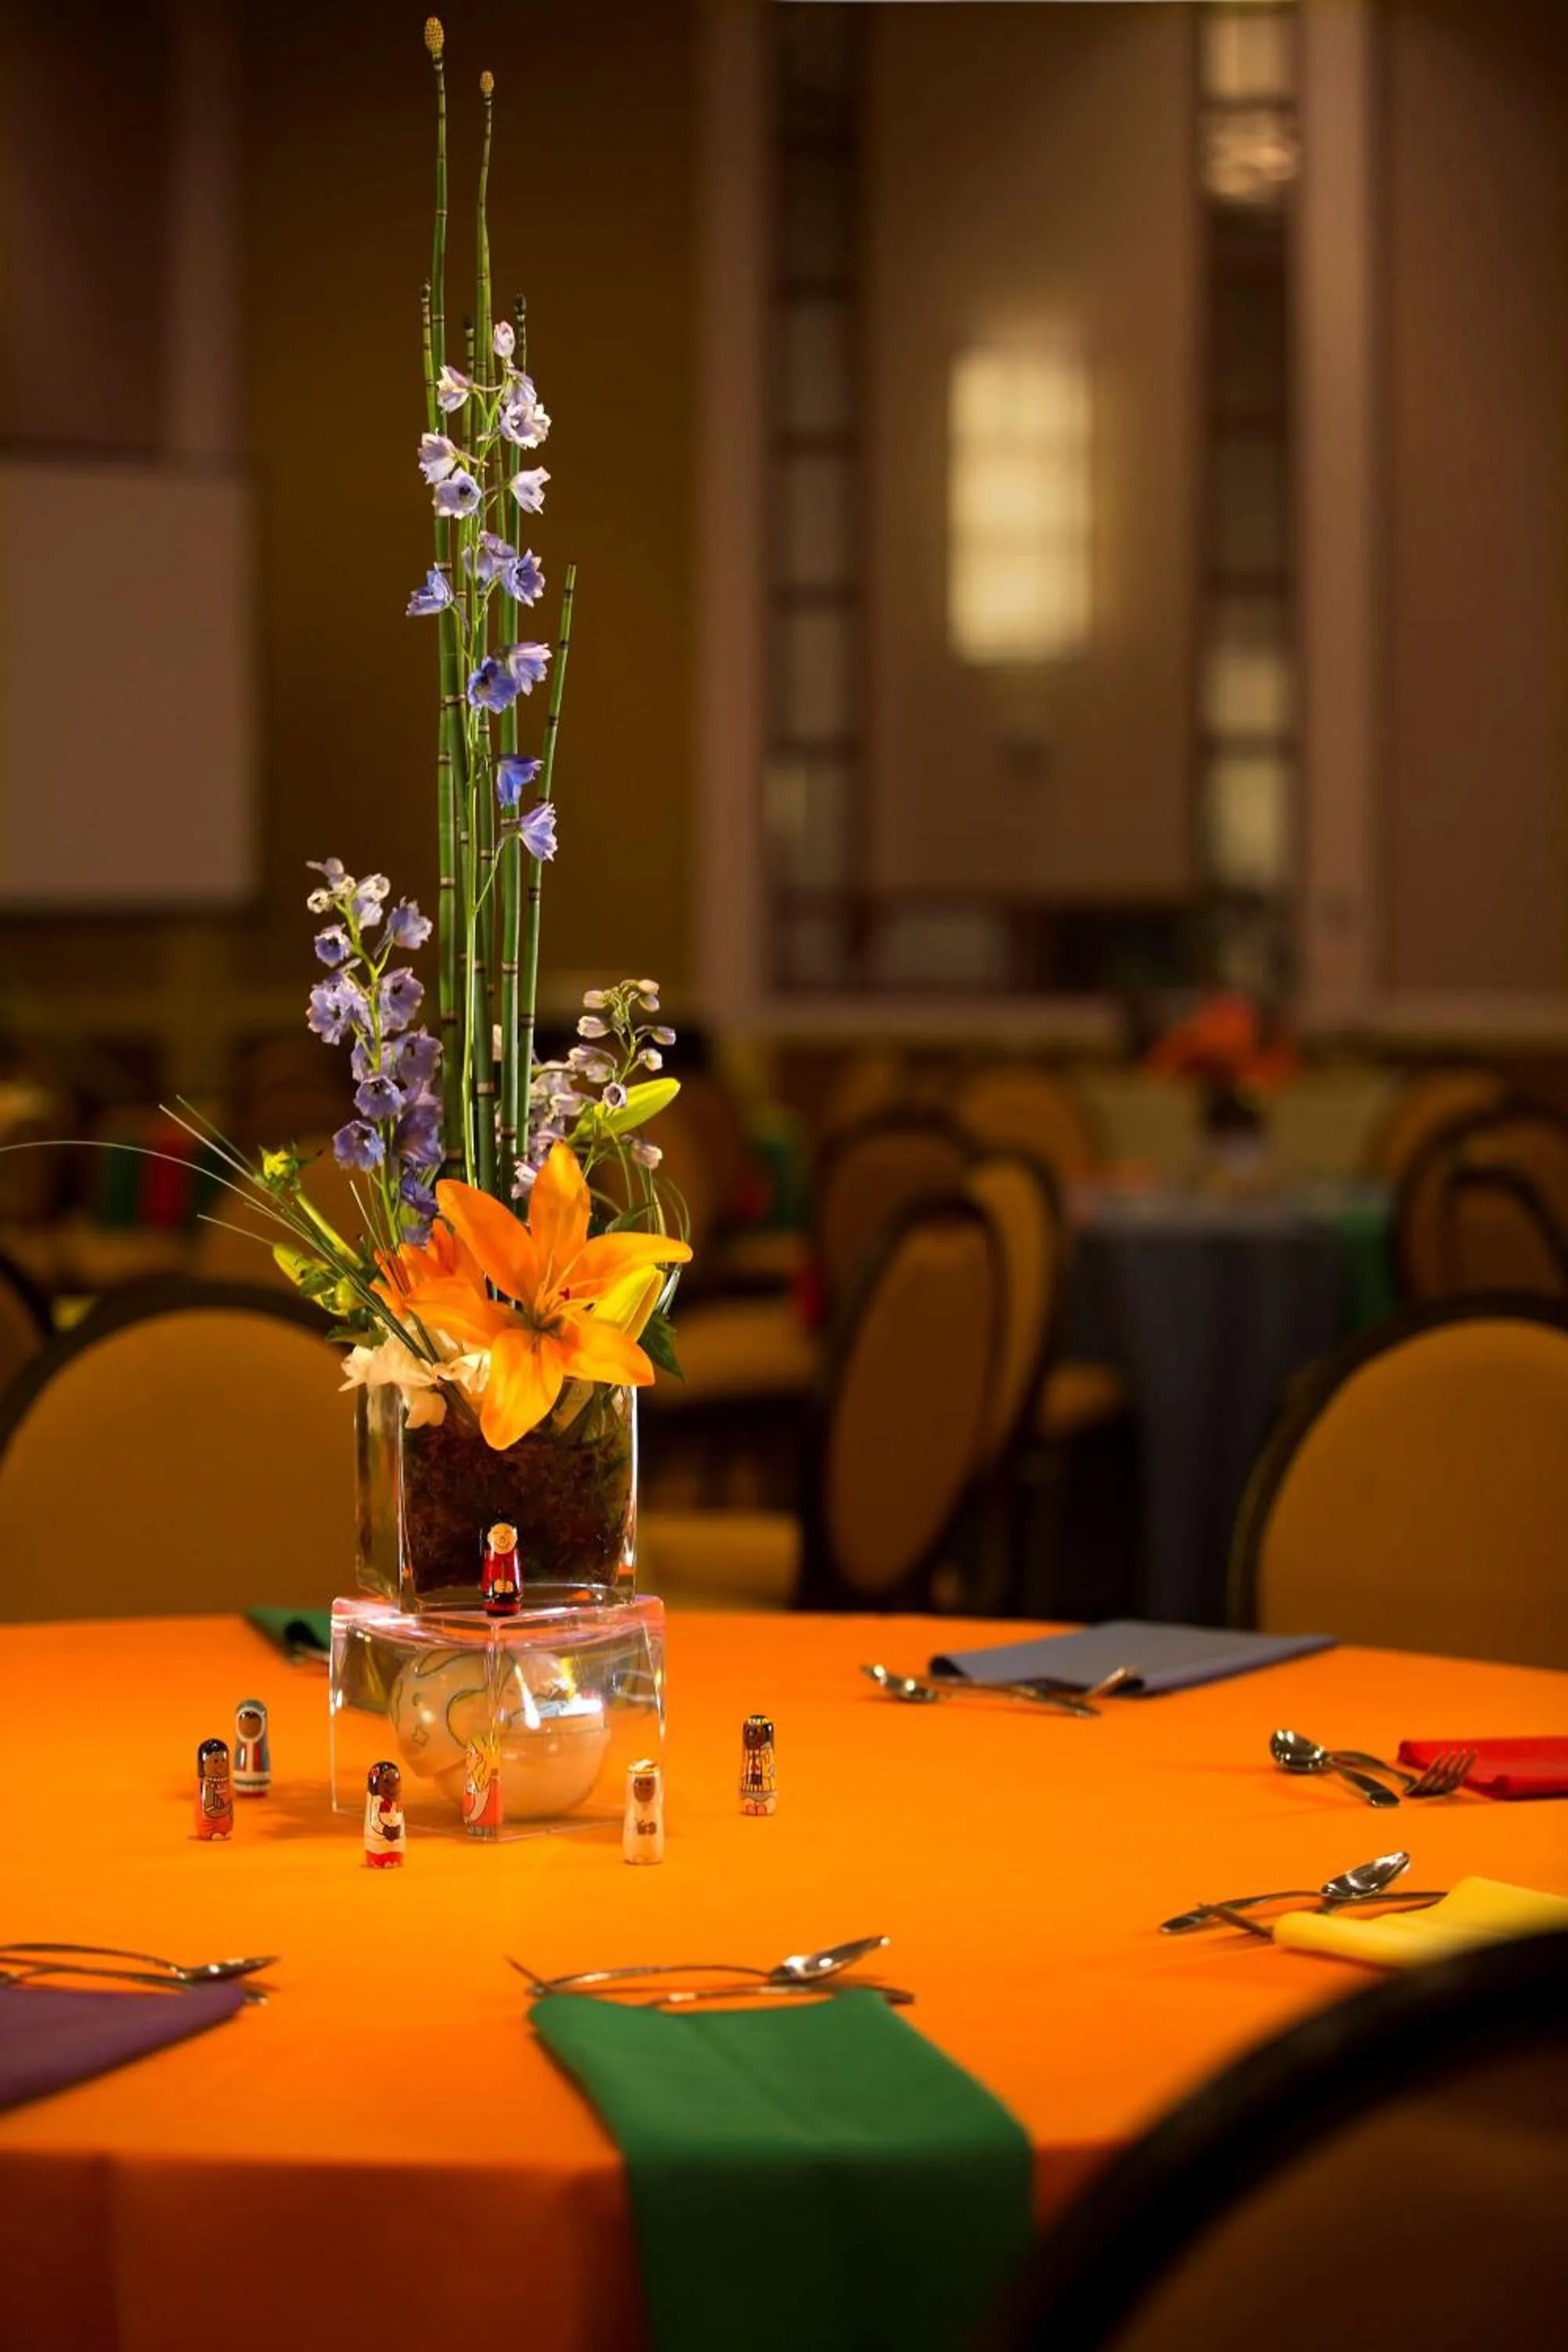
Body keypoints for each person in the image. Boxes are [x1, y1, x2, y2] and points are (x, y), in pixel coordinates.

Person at [363, 1759, 406, 1867]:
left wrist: (398, 1829)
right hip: (378, 1840)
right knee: (378, 1845)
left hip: (396, 1841)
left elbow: (398, 1816)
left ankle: (395, 1854)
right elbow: (374, 1821)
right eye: (388, 1784)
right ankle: (378, 1857)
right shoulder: (375, 1801)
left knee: (395, 1848)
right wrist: (384, 1829)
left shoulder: (397, 1801)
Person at [195, 1737, 234, 1840]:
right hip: (211, 1821)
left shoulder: (225, 1782)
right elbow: (208, 1809)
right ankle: (211, 1833)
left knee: (226, 1821)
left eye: (223, 1760)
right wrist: (224, 1810)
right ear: (204, 1765)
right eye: (216, 1761)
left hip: (224, 1816)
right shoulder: (208, 1785)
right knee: (210, 1821)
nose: (221, 1764)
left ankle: (226, 1830)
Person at [481, 1520, 521, 1616]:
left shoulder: (513, 1556)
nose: (502, 1538)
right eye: (496, 1533)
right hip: (494, 1601)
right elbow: (487, 1581)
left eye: (507, 1533)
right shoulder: (490, 1557)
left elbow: (517, 1576)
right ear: (489, 1537)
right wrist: (494, 1586)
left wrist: (513, 1586)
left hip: (511, 1601)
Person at [234, 1699, 271, 1796]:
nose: (249, 1726)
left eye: (254, 1722)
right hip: (239, 1781)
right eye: (246, 1722)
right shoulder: (241, 1749)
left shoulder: (261, 1748)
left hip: (261, 1780)